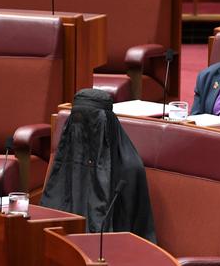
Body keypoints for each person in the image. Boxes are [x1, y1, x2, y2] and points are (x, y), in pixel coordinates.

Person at [41, 88, 156, 243]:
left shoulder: (129, 168)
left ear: (107, 124)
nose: (84, 130)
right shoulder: (66, 159)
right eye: (78, 120)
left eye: (92, 123)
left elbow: (136, 233)